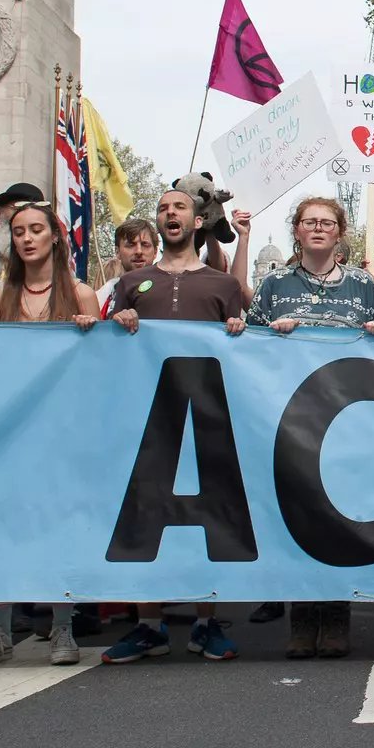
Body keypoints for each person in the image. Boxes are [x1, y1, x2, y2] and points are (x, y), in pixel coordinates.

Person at [98, 181, 250, 664]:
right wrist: (116, 325)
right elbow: (106, 352)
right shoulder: (130, 284)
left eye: (179, 207)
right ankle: (148, 625)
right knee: (144, 511)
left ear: (197, 222)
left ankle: (209, 622)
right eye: (163, 208)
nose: (170, 214)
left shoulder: (222, 286)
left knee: (216, 513)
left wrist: (240, 330)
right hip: (149, 419)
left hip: (210, 418)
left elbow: (248, 354)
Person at [249, 196, 374, 654]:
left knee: (339, 518)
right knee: (297, 514)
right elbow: (248, 345)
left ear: (340, 233)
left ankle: (336, 617)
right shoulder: (273, 283)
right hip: (288, 419)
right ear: (295, 231)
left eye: (326, 223)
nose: (317, 229)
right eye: (309, 222)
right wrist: (265, 332)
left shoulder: (362, 284)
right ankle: (301, 619)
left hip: (347, 424)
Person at [0, 202, 99, 669]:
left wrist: (94, 329)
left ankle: (62, 625)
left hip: (61, 434)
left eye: (36, 229)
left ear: (55, 238)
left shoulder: (81, 294)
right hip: (8, 434)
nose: (27, 238)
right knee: (0, 527)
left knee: (57, 526)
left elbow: (98, 367)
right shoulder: (0, 298)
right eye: (19, 231)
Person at [101, 216, 161, 316]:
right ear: (118, 252)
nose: (138, 251)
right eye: (130, 245)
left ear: (155, 251)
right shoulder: (103, 295)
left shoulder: (170, 288)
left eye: (145, 245)